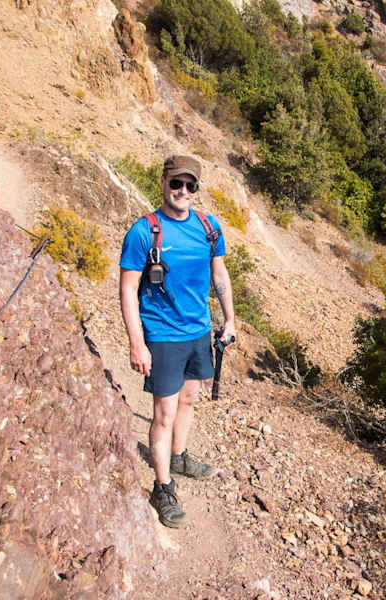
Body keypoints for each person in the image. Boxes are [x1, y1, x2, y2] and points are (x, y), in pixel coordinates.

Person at [119, 155, 236, 528]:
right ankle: (162, 486)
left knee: (189, 399)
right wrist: (137, 343)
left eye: (190, 185)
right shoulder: (144, 232)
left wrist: (230, 319)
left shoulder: (208, 227)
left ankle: (179, 455)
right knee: (164, 414)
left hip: (198, 331)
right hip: (163, 335)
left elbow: (219, 274)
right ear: (163, 183)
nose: (182, 191)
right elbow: (128, 288)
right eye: (176, 183)